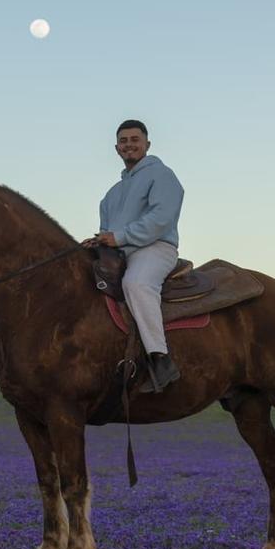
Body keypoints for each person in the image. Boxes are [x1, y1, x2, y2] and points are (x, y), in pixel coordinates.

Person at [87, 119, 185, 392]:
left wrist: (119, 237)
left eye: (134, 139)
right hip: (120, 254)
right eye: (123, 141)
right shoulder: (110, 195)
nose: (129, 145)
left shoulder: (162, 175)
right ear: (116, 148)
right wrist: (98, 241)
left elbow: (161, 219)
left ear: (147, 144)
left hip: (155, 248)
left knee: (137, 283)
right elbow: (107, 231)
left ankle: (159, 359)